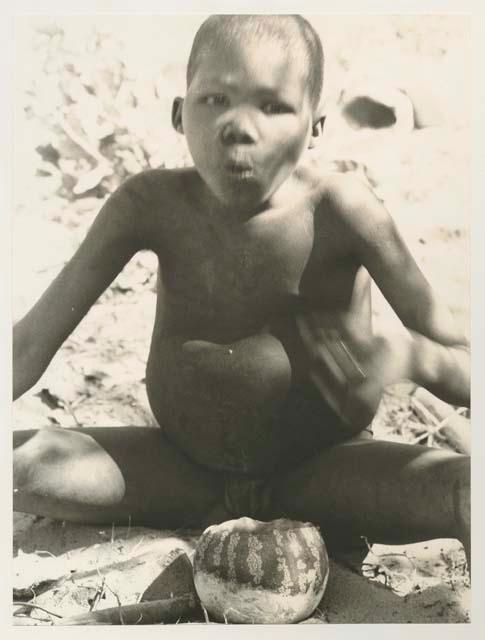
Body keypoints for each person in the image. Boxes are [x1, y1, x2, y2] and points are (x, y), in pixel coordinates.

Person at [13, 15, 470, 568]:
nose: (239, 126)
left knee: (466, 491)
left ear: (316, 126)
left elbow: (466, 369)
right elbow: (27, 345)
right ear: (179, 115)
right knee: (20, 463)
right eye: (214, 100)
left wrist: (411, 356)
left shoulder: (344, 210)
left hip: (330, 474)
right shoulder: (148, 205)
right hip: (179, 472)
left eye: (273, 106)